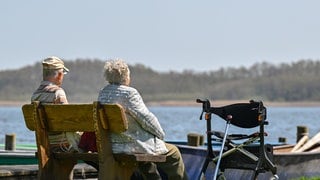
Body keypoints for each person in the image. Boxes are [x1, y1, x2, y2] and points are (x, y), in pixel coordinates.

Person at [97, 58, 188, 180]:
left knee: (146, 163)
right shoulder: (129, 93)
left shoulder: (103, 93)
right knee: (174, 153)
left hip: (111, 146)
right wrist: (160, 134)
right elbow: (147, 119)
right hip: (130, 146)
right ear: (125, 76)